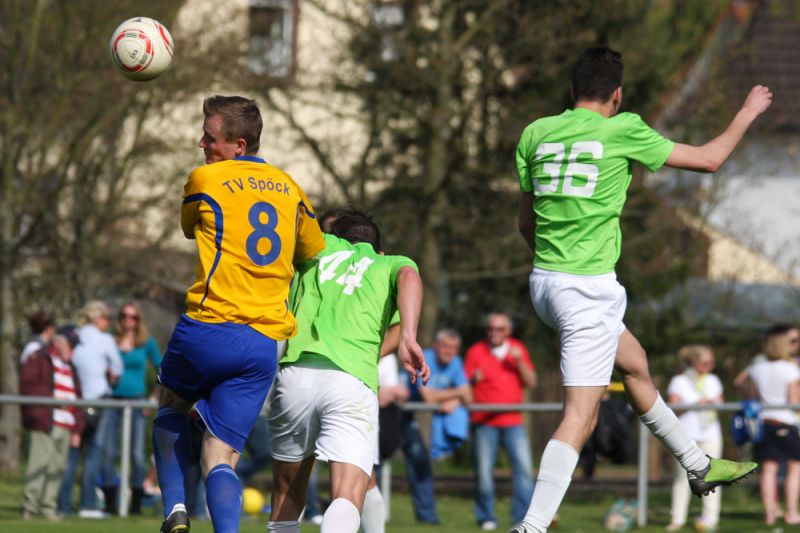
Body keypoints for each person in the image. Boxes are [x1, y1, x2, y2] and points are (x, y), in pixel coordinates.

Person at [511, 47, 770, 532]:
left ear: (572, 90)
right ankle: (532, 526)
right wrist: (747, 111)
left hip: (545, 282)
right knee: (581, 417)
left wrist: (555, 269)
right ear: (617, 94)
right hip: (585, 291)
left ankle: (697, 463)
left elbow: (526, 222)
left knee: (634, 365)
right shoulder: (623, 128)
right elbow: (710, 159)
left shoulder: (536, 132)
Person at [152, 95, 325, 533]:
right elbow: (312, 250)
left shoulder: (205, 180)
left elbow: (188, 227)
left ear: (239, 145)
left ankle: (175, 509)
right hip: (261, 344)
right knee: (221, 455)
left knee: (170, 405)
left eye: (209, 138)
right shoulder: (291, 187)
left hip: (208, 328)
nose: (201, 144)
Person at [268, 207, 429, 533]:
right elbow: (410, 277)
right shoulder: (388, 263)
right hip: (350, 381)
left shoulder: (317, 249)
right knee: (348, 492)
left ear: (334, 237)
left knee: (287, 490)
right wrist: (408, 337)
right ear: (378, 248)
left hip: (295, 375)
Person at [465, 312, 537, 530]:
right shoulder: (476, 351)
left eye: (500, 329)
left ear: (509, 331)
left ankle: (521, 517)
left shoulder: (518, 349)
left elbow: (531, 382)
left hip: (513, 421)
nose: (494, 333)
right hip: (484, 421)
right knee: (484, 473)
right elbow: (463, 386)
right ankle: (486, 517)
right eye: (490, 328)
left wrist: (519, 361)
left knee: (524, 470)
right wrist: (472, 380)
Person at [58, 300, 123, 518]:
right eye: (106, 317)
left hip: (75, 401)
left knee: (72, 454)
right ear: (96, 318)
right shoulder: (105, 340)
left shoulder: (73, 336)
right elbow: (118, 368)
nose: (109, 322)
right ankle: (87, 503)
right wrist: (109, 375)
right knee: (93, 454)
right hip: (98, 402)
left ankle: (63, 503)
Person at [97, 302, 162, 515]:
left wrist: (153, 398)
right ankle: (110, 502)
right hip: (112, 399)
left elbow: (163, 369)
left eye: (133, 317)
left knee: (136, 454)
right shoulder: (110, 341)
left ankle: (135, 504)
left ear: (138, 320)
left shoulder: (146, 343)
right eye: (124, 316)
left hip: (136, 401)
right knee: (107, 451)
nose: (128, 320)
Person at [401, 328, 471, 524]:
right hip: (394, 412)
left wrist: (454, 400)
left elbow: (468, 396)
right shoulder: (424, 358)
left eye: (454, 348)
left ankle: (427, 517)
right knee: (375, 466)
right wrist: (455, 394)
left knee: (421, 463)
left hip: (412, 417)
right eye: (445, 346)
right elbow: (429, 397)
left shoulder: (456, 362)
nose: (449, 351)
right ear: (435, 346)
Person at [735, 325, 800, 526]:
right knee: (795, 467)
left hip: (763, 423)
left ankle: (770, 514)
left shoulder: (757, 368)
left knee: (768, 469)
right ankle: (791, 512)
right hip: (785, 423)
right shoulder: (789, 369)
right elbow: (793, 400)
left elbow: (750, 392)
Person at [20, 326, 85, 520]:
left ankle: (48, 507)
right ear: (58, 342)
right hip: (45, 421)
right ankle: (30, 507)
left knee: (57, 468)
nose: (73, 350)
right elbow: (27, 387)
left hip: (66, 424)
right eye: (71, 345)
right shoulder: (39, 358)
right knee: (39, 464)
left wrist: (77, 429)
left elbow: (78, 398)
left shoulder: (72, 367)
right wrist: (53, 398)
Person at [666, 345, 724, 532]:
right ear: (694, 362)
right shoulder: (679, 381)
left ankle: (710, 519)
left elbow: (721, 403)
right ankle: (677, 519)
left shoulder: (713, 380)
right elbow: (674, 408)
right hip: (686, 435)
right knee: (682, 477)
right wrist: (696, 404)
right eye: (706, 362)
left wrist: (712, 403)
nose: (710, 366)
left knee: (712, 477)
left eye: (712, 362)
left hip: (710, 434)